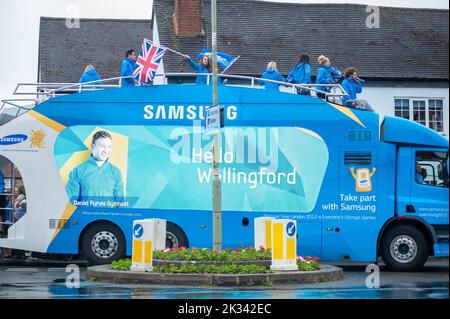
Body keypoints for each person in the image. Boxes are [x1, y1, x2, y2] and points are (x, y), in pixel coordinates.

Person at [66, 131, 124, 203]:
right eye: (102, 146)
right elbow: (69, 202)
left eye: (109, 146)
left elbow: (120, 203)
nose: (106, 150)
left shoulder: (116, 172)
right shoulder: (78, 171)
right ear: (92, 146)